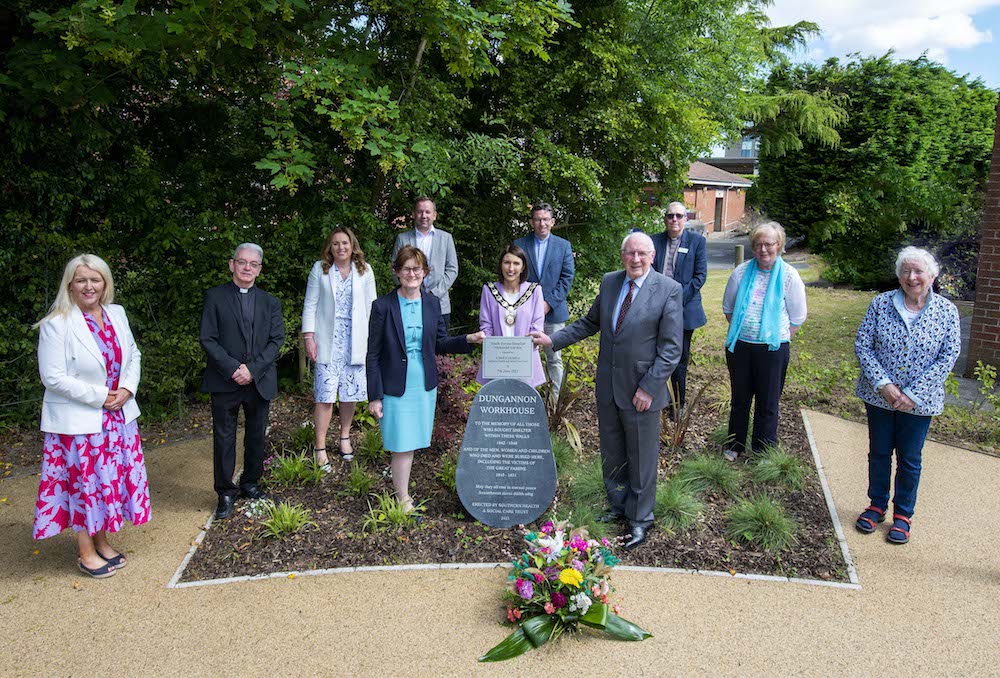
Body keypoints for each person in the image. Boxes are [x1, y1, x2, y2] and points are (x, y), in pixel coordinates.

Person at [531, 232, 683, 550]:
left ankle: (640, 519)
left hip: (642, 391)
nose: (636, 259)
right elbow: (590, 322)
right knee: (613, 452)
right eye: (630, 253)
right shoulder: (611, 282)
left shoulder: (668, 290)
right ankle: (617, 507)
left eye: (642, 253)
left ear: (652, 256)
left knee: (641, 457)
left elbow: (670, 350)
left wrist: (649, 388)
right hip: (609, 387)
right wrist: (552, 340)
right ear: (622, 255)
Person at [33, 254, 150, 578]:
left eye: (95, 279)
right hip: (80, 422)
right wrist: (101, 397)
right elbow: (52, 377)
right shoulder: (56, 323)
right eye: (81, 280)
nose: (89, 286)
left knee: (104, 484)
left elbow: (133, 354)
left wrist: (126, 389)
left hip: (117, 418)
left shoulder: (117, 313)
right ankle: (86, 552)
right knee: (83, 485)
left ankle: (102, 541)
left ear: (105, 283)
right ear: (70, 284)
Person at [853, 247, 960, 545]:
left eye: (918, 271)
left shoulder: (946, 311)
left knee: (910, 458)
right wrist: (884, 385)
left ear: (932, 275)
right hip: (879, 398)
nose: (911, 277)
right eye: (905, 271)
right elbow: (863, 345)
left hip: (920, 402)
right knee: (879, 452)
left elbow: (948, 356)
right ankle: (876, 505)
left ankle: (903, 515)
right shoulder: (880, 304)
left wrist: (913, 394)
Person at [366, 246, 484, 512]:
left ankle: (402, 493)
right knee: (402, 443)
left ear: (425, 272)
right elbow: (372, 354)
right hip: (395, 385)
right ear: (396, 272)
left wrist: (467, 339)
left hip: (423, 384)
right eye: (406, 268)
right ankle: (403, 500)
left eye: (417, 269)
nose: (412, 274)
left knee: (412, 442)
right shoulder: (382, 306)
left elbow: (440, 342)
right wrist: (374, 395)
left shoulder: (432, 303)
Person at [200, 243, 285, 520]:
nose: (247, 268)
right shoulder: (214, 297)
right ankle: (225, 491)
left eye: (253, 264)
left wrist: (252, 369)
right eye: (242, 262)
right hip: (225, 380)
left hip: (258, 380)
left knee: (257, 434)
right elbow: (208, 338)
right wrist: (234, 368)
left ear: (260, 269)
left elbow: (276, 341)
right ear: (232, 265)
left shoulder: (271, 302)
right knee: (224, 437)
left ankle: (250, 483)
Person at [721, 221, 807, 462]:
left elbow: (798, 316)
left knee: (768, 401)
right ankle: (735, 443)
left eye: (768, 244)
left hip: (773, 349)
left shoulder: (789, 276)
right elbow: (728, 308)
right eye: (758, 244)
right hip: (740, 348)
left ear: (778, 245)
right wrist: (748, 332)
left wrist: (776, 337)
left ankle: (763, 448)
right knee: (740, 399)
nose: (763, 249)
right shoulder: (740, 272)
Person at [301, 227, 378, 468]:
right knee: (324, 396)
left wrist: (373, 342)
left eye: (345, 243)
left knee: (350, 393)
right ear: (330, 247)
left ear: (352, 245)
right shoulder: (320, 270)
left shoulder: (364, 271)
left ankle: (344, 437)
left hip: (355, 342)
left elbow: (372, 307)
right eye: (335, 244)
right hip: (327, 341)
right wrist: (309, 338)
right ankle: (320, 446)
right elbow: (310, 305)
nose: (341, 247)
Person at [650, 202, 707, 416]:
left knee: (679, 358)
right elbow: (648, 274)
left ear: (685, 219)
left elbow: (700, 276)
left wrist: (674, 301)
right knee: (653, 355)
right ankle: (656, 400)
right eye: (670, 216)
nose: (674, 220)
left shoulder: (697, 242)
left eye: (679, 216)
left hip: (684, 310)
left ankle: (678, 405)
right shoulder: (654, 241)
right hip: (654, 309)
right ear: (665, 219)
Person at [514, 203, 574, 399]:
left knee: (554, 358)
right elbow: (514, 276)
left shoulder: (563, 246)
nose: (542, 223)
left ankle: (554, 403)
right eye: (538, 219)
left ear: (552, 222)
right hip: (524, 312)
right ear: (532, 222)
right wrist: (526, 305)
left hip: (553, 313)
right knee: (523, 357)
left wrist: (548, 303)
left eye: (546, 219)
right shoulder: (520, 245)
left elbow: (567, 278)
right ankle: (525, 397)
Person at [476, 245, 546, 388]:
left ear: (523, 267)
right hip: (497, 360)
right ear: (501, 265)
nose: (511, 268)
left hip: (525, 361)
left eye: (516, 263)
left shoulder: (534, 291)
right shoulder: (489, 290)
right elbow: (486, 325)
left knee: (523, 406)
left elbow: (537, 326)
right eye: (507, 262)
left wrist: (522, 349)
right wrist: (485, 338)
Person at [392, 197, 459, 327]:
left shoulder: (446, 238)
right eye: (420, 212)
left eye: (428, 212)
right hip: (408, 302)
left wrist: (434, 293)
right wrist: (409, 289)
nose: (424, 216)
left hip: (440, 304)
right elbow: (395, 269)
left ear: (434, 215)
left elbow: (452, 269)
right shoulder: (402, 239)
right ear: (413, 214)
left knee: (439, 345)